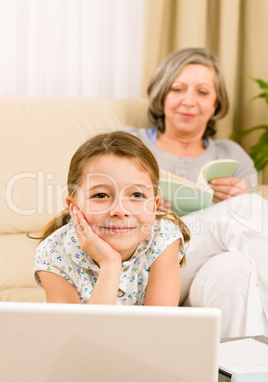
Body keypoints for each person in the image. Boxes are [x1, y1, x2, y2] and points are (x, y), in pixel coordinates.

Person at [125, 47, 268, 337]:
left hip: (194, 281)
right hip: (145, 263)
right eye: (178, 89)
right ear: (163, 95)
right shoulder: (130, 144)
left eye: (203, 92)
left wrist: (241, 195)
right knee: (245, 209)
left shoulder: (232, 154)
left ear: (216, 104)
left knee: (235, 267)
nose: (189, 101)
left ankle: (239, 372)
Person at [33, 131, 190, 306]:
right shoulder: (54, 251)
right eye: (101, 195)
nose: (120, 210)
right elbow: (81, 333)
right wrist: (110, 264)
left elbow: (160, 327)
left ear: (154, 205)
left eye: (136, 194)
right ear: (73, 206)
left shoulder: (163, 238)